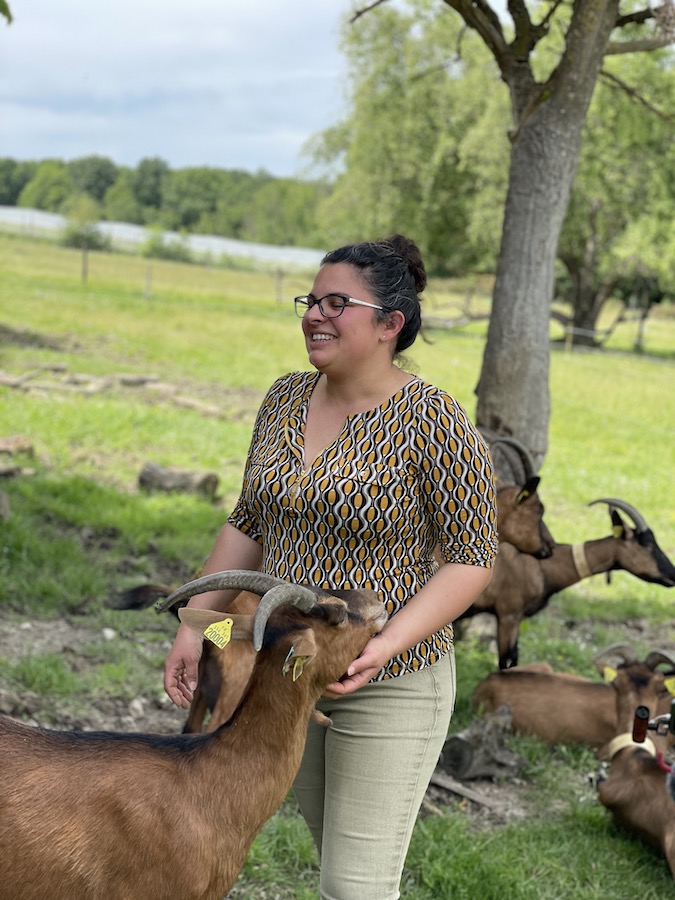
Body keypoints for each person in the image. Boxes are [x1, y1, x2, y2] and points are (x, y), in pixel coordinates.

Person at [164, 234, 498, 900]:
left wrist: (382, 645)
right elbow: (248, 523)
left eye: (335, 302)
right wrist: (194, 624)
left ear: (389, 324)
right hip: (285, 670)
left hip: (392, 678)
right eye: (309, 300)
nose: (313, 314)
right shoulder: (285, 399)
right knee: (332, 855)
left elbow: (472, 559)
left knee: (356, 886)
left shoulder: (434, 420)